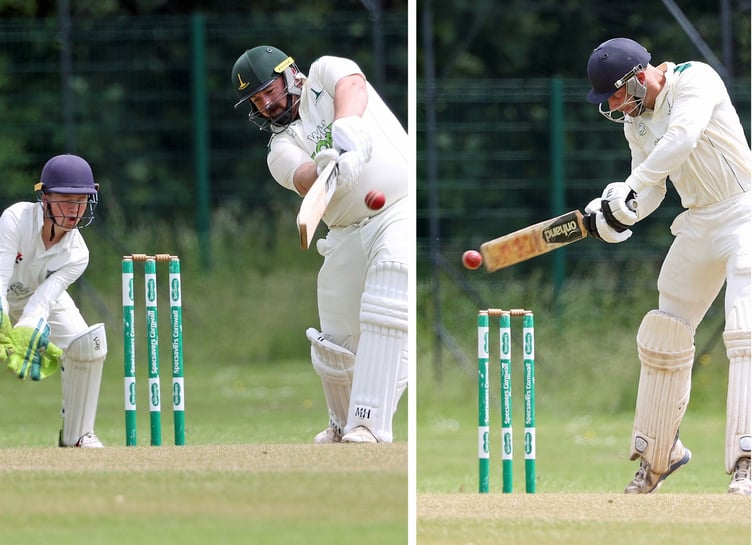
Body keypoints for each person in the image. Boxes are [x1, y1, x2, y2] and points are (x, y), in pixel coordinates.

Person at [582, 37, 751, 495]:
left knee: (744, 331)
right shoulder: (635, 125)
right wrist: (621, 210)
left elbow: (682, 139)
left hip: (744, 212)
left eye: (616, 94)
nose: (615, 106)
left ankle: (748, 460)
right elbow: (653, 187)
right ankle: (660, 454)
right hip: (698, 220)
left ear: (639, 76)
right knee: (664, 331)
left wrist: (631, 185)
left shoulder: (696, 79)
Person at [230, 46, 409, 443]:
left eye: (268, 90)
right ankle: (344, 424)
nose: (266, 103)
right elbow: (303, 175)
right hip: (344, 230)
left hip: (399, 205)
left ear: (290, 74)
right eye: (257, 100)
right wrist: (329, 164)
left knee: (388, 288)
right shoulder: (278, 149)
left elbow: (353, 85)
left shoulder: (326, 72)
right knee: (336, 338)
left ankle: (369, 424)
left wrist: (349, 127)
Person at [0, 153, 108, 448]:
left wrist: (28, 328)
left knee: (87, 346)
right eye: (65, 199)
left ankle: (78, 434)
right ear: (44, 198)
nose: (74, 209)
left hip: (37, 296)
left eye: (81, 200)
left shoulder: (78, 254)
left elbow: (43, 301)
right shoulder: (15, 219)